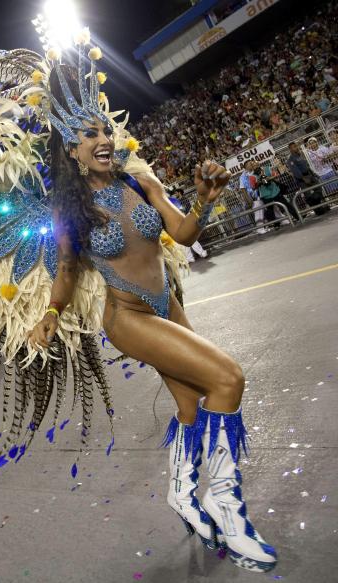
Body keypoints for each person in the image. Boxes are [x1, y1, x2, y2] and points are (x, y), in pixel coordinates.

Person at [29, 64, 276, 573]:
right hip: (127, 316)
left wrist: (204, 203)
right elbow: (69, 273)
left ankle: (183, 493)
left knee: (192, 404)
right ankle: (230, 512)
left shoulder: (142, 182)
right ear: (71, 150)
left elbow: (183, 235)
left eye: (104, 128)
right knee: (228, 378)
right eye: (87, 133)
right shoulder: (71, 212)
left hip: (168, 307)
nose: (102, 138)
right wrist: (52, 311)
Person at [285, 141, 328, 215]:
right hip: (302, 179)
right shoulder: (291, 160)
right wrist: (303, 178)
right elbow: (295, 171)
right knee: (308, 195)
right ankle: (318, 210)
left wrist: (313, 174)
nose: (296, 147)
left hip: (310, 175)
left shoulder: (300, 155)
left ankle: (317, 206)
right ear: (290, 149)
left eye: (296, 146)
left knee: (318, 189)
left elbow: (306, 166)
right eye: (294, 147)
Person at [239, 160, 269, 234]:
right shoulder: (243, 176)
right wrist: (248, 199)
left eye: (252, 163)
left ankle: (267, 226)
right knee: (258, 212)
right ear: (245, 167)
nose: (252, 164)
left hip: (263, 193)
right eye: (249, 164)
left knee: (266, 210)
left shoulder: (256, 171)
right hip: (254, 197)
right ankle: (260, 228)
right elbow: (243, 189)